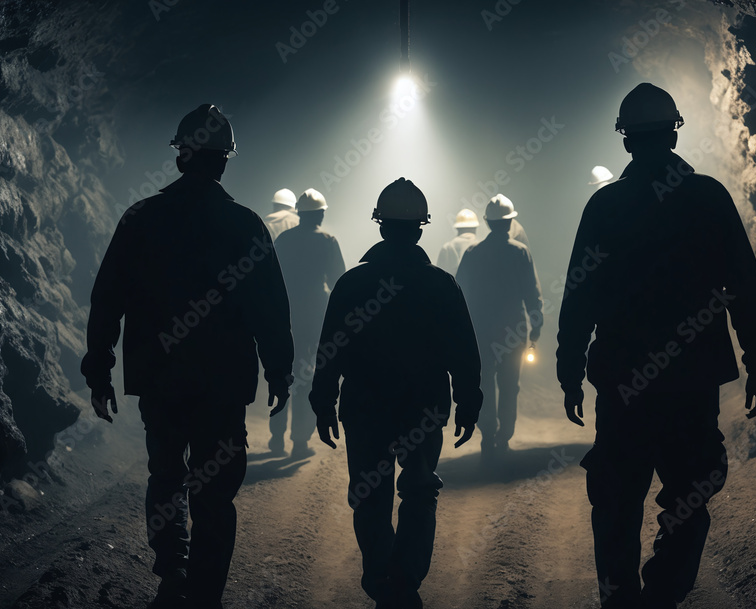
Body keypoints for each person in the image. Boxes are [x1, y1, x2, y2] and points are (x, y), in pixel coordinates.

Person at [556, 83, 756, 609]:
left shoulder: (604, 207)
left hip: (623, 383)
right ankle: (662, 595)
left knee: (616, 500)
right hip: (691, 381)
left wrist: (569, 371)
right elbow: (745, 286)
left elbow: (579, 295)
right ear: (674, 131)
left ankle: (621, 601)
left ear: (626, 140)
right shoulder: (708, 198)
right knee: (689, 495)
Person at [81, 104, 294, 609]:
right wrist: (279, 370)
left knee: (166, 477)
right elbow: (270, 307)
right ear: (223, 162)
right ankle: (205, 594)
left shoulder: (140, 220)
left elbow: (106, 297)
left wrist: (99, 368)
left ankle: (173, 568)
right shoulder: (245, 226)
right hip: (222, 387)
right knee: (216, 494)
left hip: (161, 380)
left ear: (181, 157)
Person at [310, 178, 482, 609]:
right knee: (420, 490)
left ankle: (380, 574)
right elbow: (463, 349)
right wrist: (468, 400)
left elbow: (330, 348)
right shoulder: (441, 285)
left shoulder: (352, 284)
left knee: (370, 494)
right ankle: (405, 580)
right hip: (423, 407)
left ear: (380, 226)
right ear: (421, 228)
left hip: (365, 408)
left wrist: (323, 400)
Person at [454, 194, 543, 459]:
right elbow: (532, 292)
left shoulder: (473, 252)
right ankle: (504, 436)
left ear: (487, 223)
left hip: (480, 331)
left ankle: (488, 434)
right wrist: (536, 326)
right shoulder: (520, 251)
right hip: (513, 331)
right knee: (509, 384)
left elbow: (458, 292)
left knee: (483, 383)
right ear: (509, 222)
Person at [271, 187, 346, 458]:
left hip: (285, 314)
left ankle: (276, 437)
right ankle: (300, 441)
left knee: (281, 374)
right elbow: (340, 280)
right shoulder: (328, 240)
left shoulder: (284, 240)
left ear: (299, 213)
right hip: (315, 317)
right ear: (321, 214)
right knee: (305, 378)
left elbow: (271, 278)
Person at [435, 208, 479, 275]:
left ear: (457, 228)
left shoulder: (447, 248)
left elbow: (439, 276)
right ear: (475, 228)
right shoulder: (483, 247)